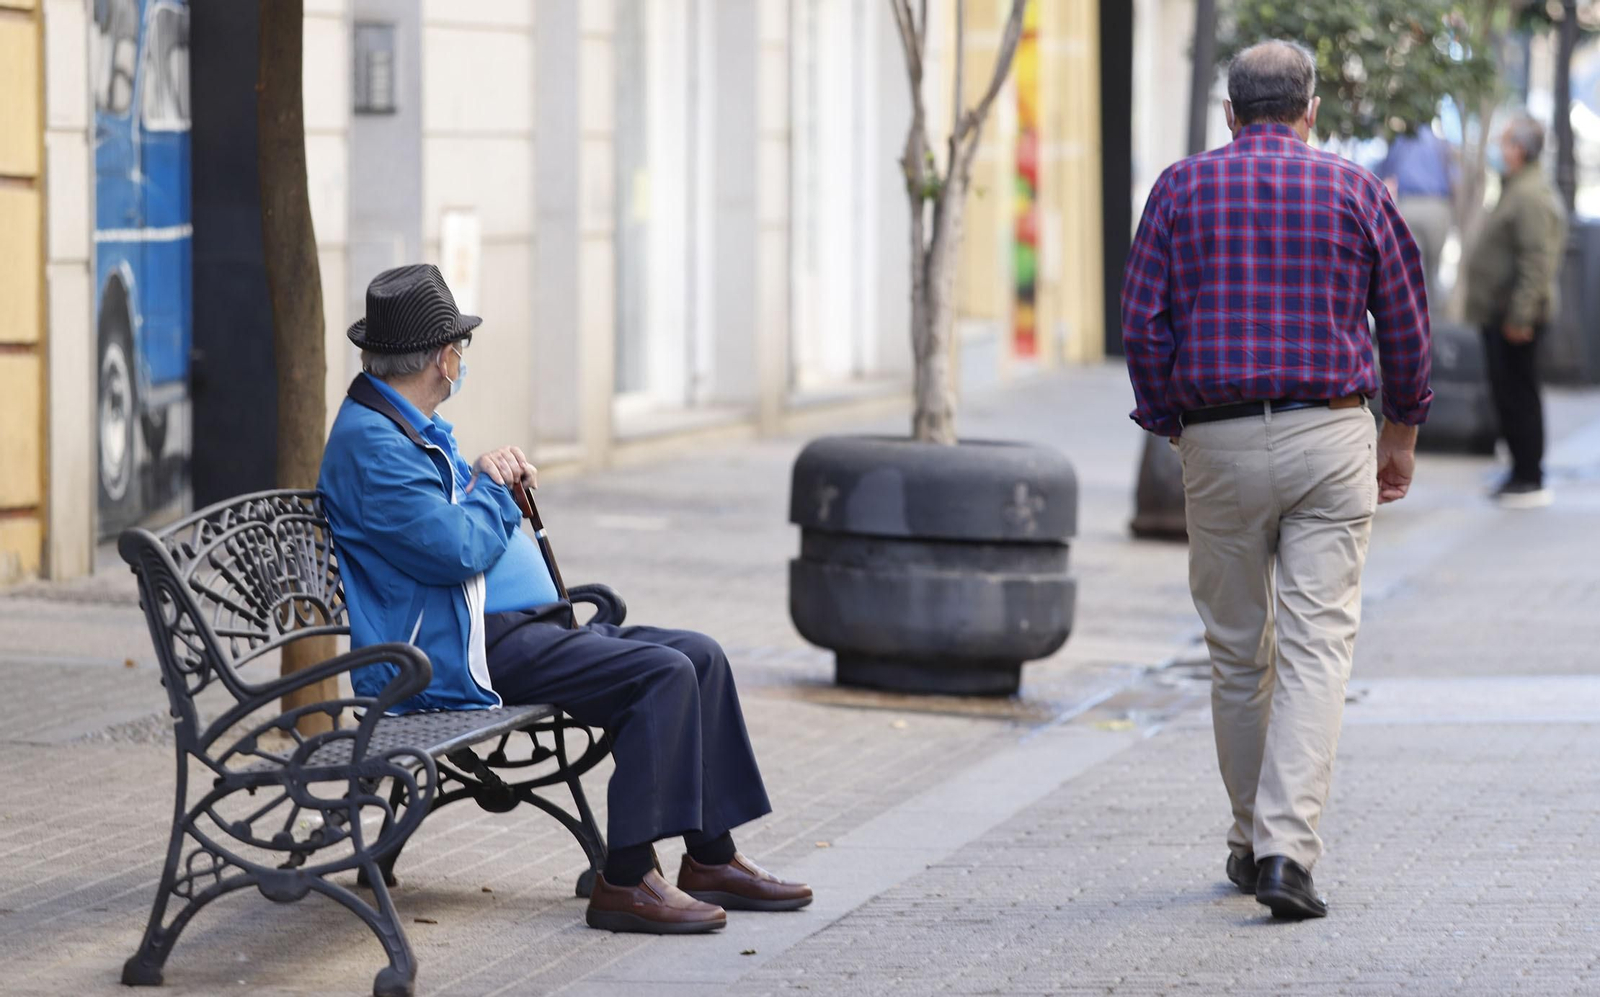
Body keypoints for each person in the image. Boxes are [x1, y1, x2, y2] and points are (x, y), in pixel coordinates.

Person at [318, 264, 811, 935]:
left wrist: (483, 476)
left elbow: (451, 516)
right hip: (456, 652)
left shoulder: (405, 421)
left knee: (699, 654)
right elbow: (458, 545)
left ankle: (710, 857)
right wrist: (494, 489)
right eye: (460, 347)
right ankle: (626, 878)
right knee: (659, 674)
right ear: (443, 357)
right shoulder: (372, 443)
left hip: (504, 626)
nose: (462, 360)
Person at [1120, 41, 1432, 920]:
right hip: (1331, 433)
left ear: (1229, 112)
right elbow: (1405, 324)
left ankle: (1251, 836)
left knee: (1235, 651)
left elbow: (1142, 323)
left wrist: (1175, 424)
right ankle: (1286, 852)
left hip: (1215, 437)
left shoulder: (1179, 190)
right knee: (1316, 646)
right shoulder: (1356, 191)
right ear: (1311, 109)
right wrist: (1400, 434)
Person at [1462, 116, 1568, 509]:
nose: (1499, 149)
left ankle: (1529, 475)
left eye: (1505, 142)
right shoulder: (1517, 188)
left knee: (1519, 395)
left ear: (1519, 149)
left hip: (1516, 319)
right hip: (1502, 315)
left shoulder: (1530, 195)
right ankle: (1519, 471)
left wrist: (1521, 317)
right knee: (1509, 394)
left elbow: (1536, 262)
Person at [1378, 123, 1458, 313]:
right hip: (1438, 207)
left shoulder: (1401, 139)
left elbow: (1383, 171)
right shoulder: (1442, 143)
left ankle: (1412, 324)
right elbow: (1455, 178)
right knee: (1433, 271)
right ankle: (1432, 326)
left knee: (1410, 272)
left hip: (1409, 206)